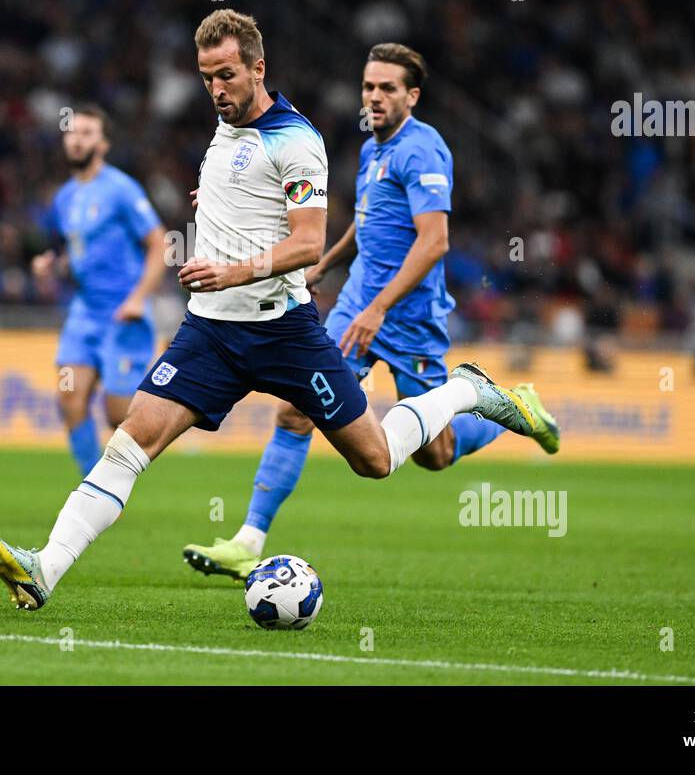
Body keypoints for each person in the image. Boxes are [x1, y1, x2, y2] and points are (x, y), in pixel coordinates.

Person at [0, 10, 556, 610]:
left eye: (226, 75)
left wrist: (233, 269)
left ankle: (463, 391)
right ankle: (44, 566)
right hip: (210, 332)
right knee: (130, 441)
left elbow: (308, 241)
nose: (216, 90)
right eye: (206, 78)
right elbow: (250, 195)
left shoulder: (299, 141)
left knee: (376, 460)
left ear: (258, 68)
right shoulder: (224, 129)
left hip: (284, 333)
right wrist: (219, 207)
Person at [181, 43, 559, 579]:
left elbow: (434, 242)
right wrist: (325, 267)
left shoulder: (422, 151)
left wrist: (379, 309)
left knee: (435, 453)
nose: (374, 97)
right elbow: (368, 222)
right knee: (296, 409)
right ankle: (248, 541)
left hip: (407, 316)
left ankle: (508, 407)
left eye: (386, 88)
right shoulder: (371, 150)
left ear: (413, 95)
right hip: (357, 303)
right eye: (368, 86)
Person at [32, 105, 167, 474]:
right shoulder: (65, 198)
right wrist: (52, 266)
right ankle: (94, 486)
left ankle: (174, 410)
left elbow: (160, 244)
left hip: (124, 316)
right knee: (69, 399)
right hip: (85, 313)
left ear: (103, 144)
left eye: (88, 133)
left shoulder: (122, 190)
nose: (77, 140)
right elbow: (77, 255)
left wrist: (139, 298)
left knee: (118, 414)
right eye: (72, 132)